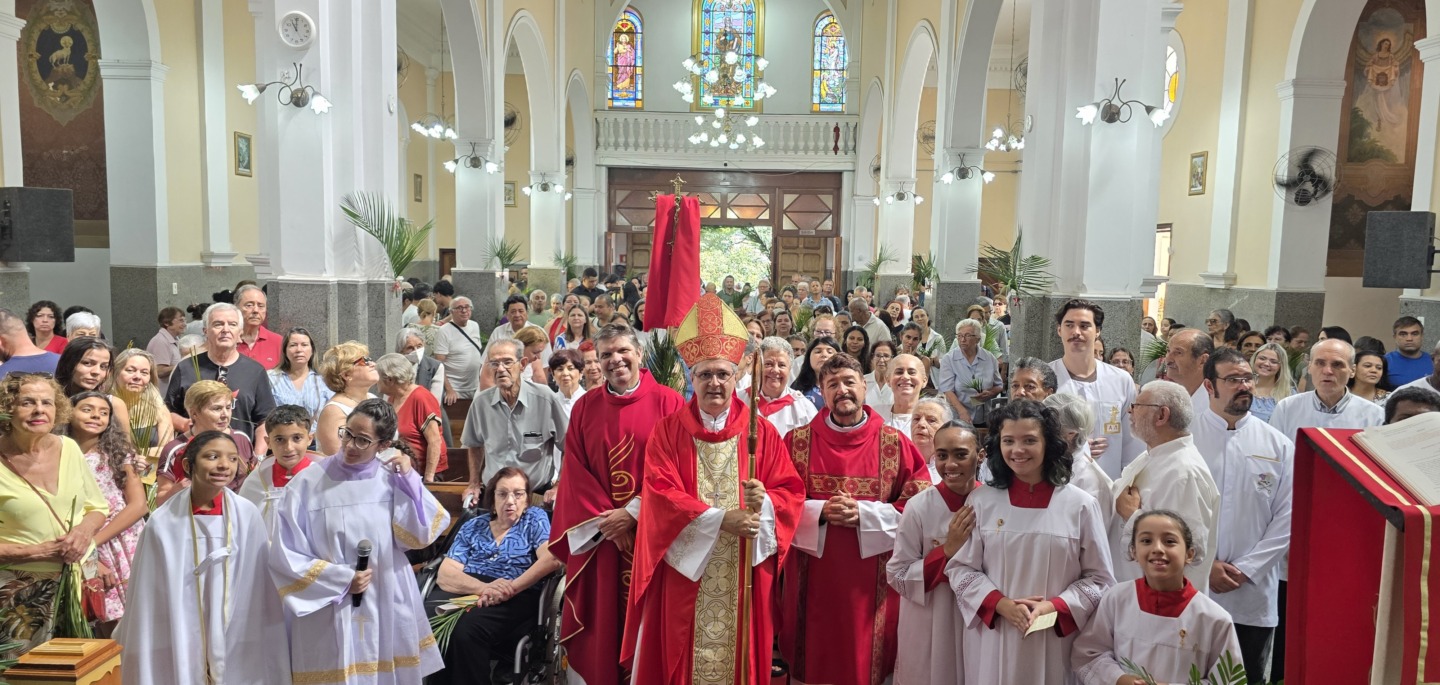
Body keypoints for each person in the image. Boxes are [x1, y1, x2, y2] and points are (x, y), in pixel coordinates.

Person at [622, 294, 806, 685]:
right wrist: (723, 519)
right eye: (705, 375)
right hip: (686, 573)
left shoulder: (763, 433)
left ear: (736, 377)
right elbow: (660, 494)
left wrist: (767, 504)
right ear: (691, 378)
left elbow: (791, 493)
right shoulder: (668, 432)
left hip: (744, 572)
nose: (715, 383)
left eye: (723, 374)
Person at [270, 399, 450, 683]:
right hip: (329, 602)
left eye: (363, 440)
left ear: (384, 444)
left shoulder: (392, 478)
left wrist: (410, 481)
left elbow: (420, 535)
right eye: (348, 434)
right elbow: (285, 553)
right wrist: (341, 579)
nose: (351, 445)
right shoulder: (306, 484)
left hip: (386, 592)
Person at [779, 353, 931, 685]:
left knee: (867, 663)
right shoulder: (797, 442)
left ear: (864, 385)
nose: (842, 390)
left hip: (871, 586)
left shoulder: (894, 444)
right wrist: (819, 512)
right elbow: (779, 499)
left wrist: (863, 514)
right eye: (833, 384)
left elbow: (919, 505)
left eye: (849, 382)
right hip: (813, 577)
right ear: (821, 390)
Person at [547, 324, 683, 685]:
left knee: (651, 631)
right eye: (605, 355)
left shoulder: (669, 402)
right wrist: (608, 524)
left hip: (655, 542)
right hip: (602, 543)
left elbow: (680, 468)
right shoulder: (585, 407)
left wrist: (632, 514)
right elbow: (574, 472)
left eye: (622, 351)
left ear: (639, 354)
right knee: (604, 627)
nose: (615, 360)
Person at [945, 399, 1115, 684]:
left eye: (1029, 440)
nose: (1017, 450)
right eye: (1009, 440)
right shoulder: (981, 502)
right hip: (995, 636)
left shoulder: (1080, 505)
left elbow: (1100, 579)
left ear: (1048, 443)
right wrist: (1001, 605)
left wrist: (1055, 607)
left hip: (1055, 638)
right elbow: (960, 570)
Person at [117, 431, 289, 684]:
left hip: (237, 625)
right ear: (189, 465)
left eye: (232, 459)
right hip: (180, 623)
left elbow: (258, 583)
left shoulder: (247, 515)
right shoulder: (163, 523)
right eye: (212, 456)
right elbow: (150, 595)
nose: (224, 465)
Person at [1265, 338, 1382, 684]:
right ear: (1309, 367)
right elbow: (1275, 467)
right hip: (1296, 521)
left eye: (1337, 365)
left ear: (1352, 370)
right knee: (1289, 607)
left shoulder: (1373, 415)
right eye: (1320, 364)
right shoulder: (1288, 409)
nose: (1328, 372)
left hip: (1346, 525)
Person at [1190, 347, 1294, 682]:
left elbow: (1287, 517)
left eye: (1248, 378)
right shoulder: (1184, 439)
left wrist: (1246, 570)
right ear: (1209, 386)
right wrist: (1206, 565)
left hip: (1253, 591)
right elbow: (1171, 510)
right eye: (1233, 379)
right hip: (1194, 584)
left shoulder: (1278, 445)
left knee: (1246, 677)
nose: (1245, 385)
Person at [1071, 511, 1243, 685]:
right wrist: (1119, 679)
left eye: (1169, 541)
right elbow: (1088, 653)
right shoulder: (1116, 600)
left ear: (1189, 554)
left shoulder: (1214, 619)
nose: (1158, 549)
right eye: (1146, 541)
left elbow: (1229, 680)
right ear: (1134, 552)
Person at [432, 468, 562, 684]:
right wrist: (484, 588)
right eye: (502, 494)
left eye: (518, 494)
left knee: (466, 631)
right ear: (492, 500)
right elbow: (445, 574)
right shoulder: (474, 525)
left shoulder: (534, 520)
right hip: (469, 587)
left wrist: (509, 589)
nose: (510, 501)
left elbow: (551, 559)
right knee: (428, 623)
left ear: (527, 499)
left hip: (516, 593)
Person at [886, 421, 980, 685]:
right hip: (930, 620)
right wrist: (947, 550)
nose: (950, 464)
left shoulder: (994, 504)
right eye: (942, 455)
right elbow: (898, 574)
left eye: (961, 454)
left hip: (978, 619)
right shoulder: (918, 507)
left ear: (979, 455)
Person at [1109, 380, 1220, 592]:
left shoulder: (1184, 472)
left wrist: (1132, 516)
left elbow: (1192, 550)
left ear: (1162, 415)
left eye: (1137, 406)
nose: (1130, 412)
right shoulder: (1152, 455)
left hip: (1167, 604)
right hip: (1134, 591)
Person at [66, 391, 147, 629]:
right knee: (94, 616)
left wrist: (92, 546)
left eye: (104, 412)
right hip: (78, 538)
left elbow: (138, 505)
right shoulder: (58, 455)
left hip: (120, 539)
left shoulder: (118, 454)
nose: (96, 416)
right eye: (87, 409)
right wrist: (87, 551)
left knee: (128, 621)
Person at [461, 339, 569, 504]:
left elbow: (569, 446)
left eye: (507, 362)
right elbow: (474, 444)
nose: (501, 369)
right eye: (494, 363)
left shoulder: (545, 399)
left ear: (523, 364)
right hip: (495, 495)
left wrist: (559, 485)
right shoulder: (481, 403)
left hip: (535, 495)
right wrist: (474, 483)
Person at [164, 302, 275, 454]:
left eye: (232, 324)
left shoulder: (255, 371)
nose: (225, 330)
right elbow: (167, 412)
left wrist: (257, 458)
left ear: (240, 333)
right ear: (205, 331)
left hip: (240, 459)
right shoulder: (185, 368)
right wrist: (186, 424)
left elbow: (265, 419)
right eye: (218, 324)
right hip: (194, 458)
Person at [1049, 299, 1142, 478]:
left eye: (1084, 326)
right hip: (1060, 481)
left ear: (1097, 331)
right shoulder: (1046, 377)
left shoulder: (1121, 380)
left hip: (1110, 479)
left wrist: (1130, 480)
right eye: (1069, 325)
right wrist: (1074, 448)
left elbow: (1133, 439)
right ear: (1059, 330)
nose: (1076, 332)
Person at [155, 380, 257, 503]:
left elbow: (256, 478)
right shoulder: (175, 449)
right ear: (194, 413)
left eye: (228, 407)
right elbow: (161, 500)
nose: (225, 414)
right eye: (217, 409)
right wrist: (181, 488)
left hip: (238, 515)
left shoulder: (241, 438)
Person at [238, 404, 318, 529]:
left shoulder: (321, 477)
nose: (288, 448)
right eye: (280, 439)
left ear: (309, 439)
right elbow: (243, 523)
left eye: (297, 438)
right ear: (268, 442)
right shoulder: (258, 480)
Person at [375, 353, 448, 483]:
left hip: (422, 474)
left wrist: (428, 479)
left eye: (378, 377)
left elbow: (435, 441)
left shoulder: (421, 398)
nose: (376, 381)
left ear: (390, 380)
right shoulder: (392, 397)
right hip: (402, 471)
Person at [1045, 392, 1116, 524]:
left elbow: (1094, 537)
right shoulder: (1051, 462)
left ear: (1069, 434)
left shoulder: (1089, 480)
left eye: (1047, 427)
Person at [110, 348, 174, 472]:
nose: (137, 377)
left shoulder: (158, 407)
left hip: (150, 474)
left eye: (144, 372)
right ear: (116, 372)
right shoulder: (105, 404)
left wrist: (133, 456)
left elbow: (167, 449)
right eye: (130, 370)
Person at [745, 336, 818, 438]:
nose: (775, 370)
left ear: (790, 369)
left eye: (782, 365)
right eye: (768, 364)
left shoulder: (804, 409)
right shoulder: (739, 400)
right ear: (757, 366)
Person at [266, 327, 334, 432]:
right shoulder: (270, 378)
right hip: (281, 439)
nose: (299, 350)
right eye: (293, 345)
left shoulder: (324, 381)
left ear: (312, 350)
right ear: (285, 350)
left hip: (314, 442)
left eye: (304, 345)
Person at [315, 341, 378, 456]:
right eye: (364, 361)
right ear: (346, 375)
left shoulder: (373, 398)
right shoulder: (334, 411)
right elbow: (340, 458)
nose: (373, 364)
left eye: (370, 359)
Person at [937, 318, 1003, 425]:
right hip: (958, 416)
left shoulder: (989, 358)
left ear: (977, 339)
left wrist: (990, 393)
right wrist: (962, 411)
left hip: (984, 416)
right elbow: (947, 390)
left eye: (967, 335)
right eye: (959, 336)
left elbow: (999, 385)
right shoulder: (949, 359)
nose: (962, 339)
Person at [433, 295, 485, 417]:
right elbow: (439, 364)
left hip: (475, 387)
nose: (464, 310)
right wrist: (449, 390)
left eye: (467, 307)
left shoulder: (474, 326)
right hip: (455, 390)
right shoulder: (444, 331)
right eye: (459, 308)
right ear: (451, 312)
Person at [1164, 328, 1214, 412]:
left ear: (1203, 360)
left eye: (1178, 352)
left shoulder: (1218, 403)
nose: (1168, 359)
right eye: (1168, 351)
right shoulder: (1166, 396)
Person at [233, 284, 282, 369]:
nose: (255, 310)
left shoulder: (278, 342)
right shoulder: (227, 339)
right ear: (236, 307)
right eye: (249, 305)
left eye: (261, 306)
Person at [0, 308, 61, 376]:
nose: (45, 320)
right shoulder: (64, 363)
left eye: (50, 316)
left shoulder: (3, 374)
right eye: (40, 315)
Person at [879, 353, 928, 435]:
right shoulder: (876, 415)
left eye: (912, 372)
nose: (905, 377)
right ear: (888, 380)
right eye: (899, 372)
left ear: (924, 381)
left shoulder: (932, 419)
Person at [907, 397, 953, 482]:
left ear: (946, 428)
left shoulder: (954, 464)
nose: (921, 424)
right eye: (916, 419)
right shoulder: (898, 460)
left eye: (931, 420)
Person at [397, 327, 448, 403]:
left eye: (419, 346)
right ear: (401, 350)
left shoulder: (435, 367)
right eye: (410, 348)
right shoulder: (394, 366)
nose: (416, 351)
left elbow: (434, 402)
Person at [790, 336, 840, 409]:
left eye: (829, 352)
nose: (824, 355)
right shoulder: (798, 386)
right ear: (808, 358)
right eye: (818, 352)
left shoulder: (845, 386)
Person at [1250, 342, 1294, 423]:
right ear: (1254, 359)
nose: (1266, 364)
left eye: (1273, 362)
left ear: (1281, 367)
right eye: (1262, 358)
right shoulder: (1241, 387)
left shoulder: (1290, 395)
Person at [1386, 316, 1432, 387]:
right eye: (1403, 334)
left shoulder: (1434, 362)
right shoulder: (1384, 362)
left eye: (1414, 334)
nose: (1409, 338)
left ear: (1422, 336)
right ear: (1395, 337)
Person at [146, 306, 187, 384]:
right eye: (181, 320)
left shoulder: (175, 339)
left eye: (185, 321)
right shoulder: (160, 341)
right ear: (166, 323)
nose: (184, 324)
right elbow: (160, 371)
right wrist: (185, 364)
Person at [548, 348, 587, 418]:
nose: (565, 373)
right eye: (560, 369)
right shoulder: (548, 404)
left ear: (581, 372)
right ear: (553, 373)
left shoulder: (589, 401)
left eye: (570, 368)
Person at [865, 340, 897, 406]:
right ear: (872, 358)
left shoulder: (898, 383)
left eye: (886, 356)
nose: (881, 360)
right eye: (878, 355)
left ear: (893, 359)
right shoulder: (862, 381)